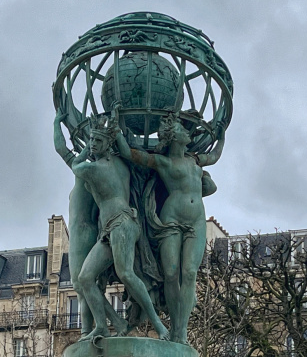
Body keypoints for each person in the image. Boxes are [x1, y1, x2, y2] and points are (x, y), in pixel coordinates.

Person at [113, 111, 225, 343]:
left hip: (195, 220)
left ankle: (180, 331)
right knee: (172, 274)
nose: (188, 133)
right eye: (184, 129)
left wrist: (221, 134)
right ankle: (174, 325)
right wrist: (116, 130)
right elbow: (128, 154)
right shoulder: (162, 162)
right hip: (171, 219)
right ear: (173, 134)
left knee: (190, 273)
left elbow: (214, 156)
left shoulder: (194, 160)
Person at [71, 114, 169, 342]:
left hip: (122, 223)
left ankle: (159, 326)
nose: (93, 146)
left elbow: (76, 165)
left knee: (126, 273)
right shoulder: (121, 164)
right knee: (85, 278)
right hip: (111, 229)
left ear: (107, 144)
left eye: (97, 142)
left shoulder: (95, 169)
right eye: (91, 141)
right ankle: (110, 325)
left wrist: (85, 147)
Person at [53, 109, 128, 337]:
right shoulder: (90, 172)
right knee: (85, 284)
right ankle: (90, 329)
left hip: (84, 233)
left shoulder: (88, 173)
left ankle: (103, 325)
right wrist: (58, 120)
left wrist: (60, 121)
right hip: (85, 233)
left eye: (96, 141)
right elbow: (60, 148)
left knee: (81, 283)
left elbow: (63, 151)